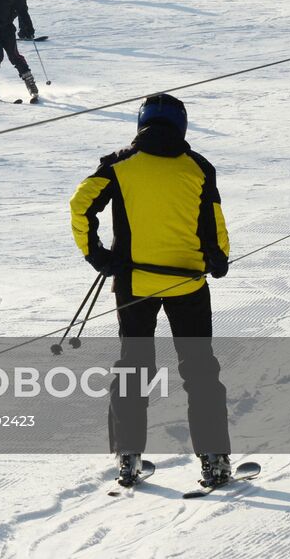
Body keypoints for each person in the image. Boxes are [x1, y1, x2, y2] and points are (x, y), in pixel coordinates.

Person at [69, 93, 233, 489]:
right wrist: (219, 258)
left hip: (134, 284)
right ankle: (214, 460)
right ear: (182, 125)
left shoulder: (119, 164)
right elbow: (213, 222)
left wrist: (97, 256)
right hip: (187, 283)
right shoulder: (198, 167)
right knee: (199, 370)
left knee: (134, 365)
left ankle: (128, 458)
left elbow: (81, 205)